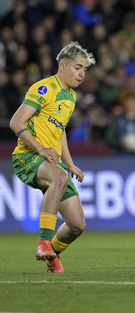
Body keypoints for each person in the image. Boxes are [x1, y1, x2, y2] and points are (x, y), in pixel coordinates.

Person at [9, 41, 95, 273]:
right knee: (58, 178)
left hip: (51, 162)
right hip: (27, 156)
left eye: (85, 69)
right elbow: (16, 122)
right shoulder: (44, 88)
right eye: (78, 67)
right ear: (63, 66)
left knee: (77, 225)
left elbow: (60, 133)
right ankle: (43, 242)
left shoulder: (71, 97)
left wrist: (70, 164)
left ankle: (52, 253)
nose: (82, 73)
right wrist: (40, 148)